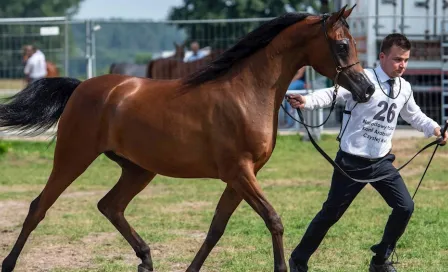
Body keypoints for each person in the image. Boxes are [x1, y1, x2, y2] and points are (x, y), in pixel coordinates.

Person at [286, 33, 448, 272]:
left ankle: (380, 260)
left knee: (405, 207)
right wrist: (306, 100)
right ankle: (298, 260)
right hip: (350, 163)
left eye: (405, 60)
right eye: (396, 59)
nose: (402, 65)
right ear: (382, 57)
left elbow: (414, 115)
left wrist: (435, 129)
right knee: (330, 214)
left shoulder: (404, 87)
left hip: (381, 162)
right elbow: (333, 94)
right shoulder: (362, 78)